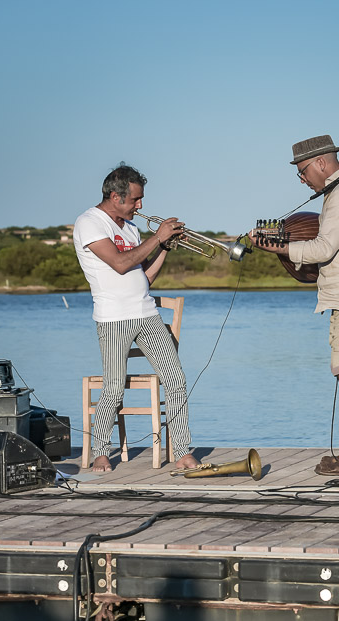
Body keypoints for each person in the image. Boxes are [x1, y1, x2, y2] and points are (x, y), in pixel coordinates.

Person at [250, 135, 339, 476]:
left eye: (302, 171)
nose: (301, 179)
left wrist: (276, 248)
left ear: (321, 163)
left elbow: (322, 249)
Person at [73, 164, 201, 473]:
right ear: (116, 197)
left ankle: (182, 451)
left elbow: (142, 278)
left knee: (176, 379)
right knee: (115, 387)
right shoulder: (89, 223)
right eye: (135, 200)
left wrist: (164, 249)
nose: (140, 206)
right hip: (113, 318)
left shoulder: (130, 227)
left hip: (147, 314)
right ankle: (101, 451)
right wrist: (157, 237)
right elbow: (119, 263)